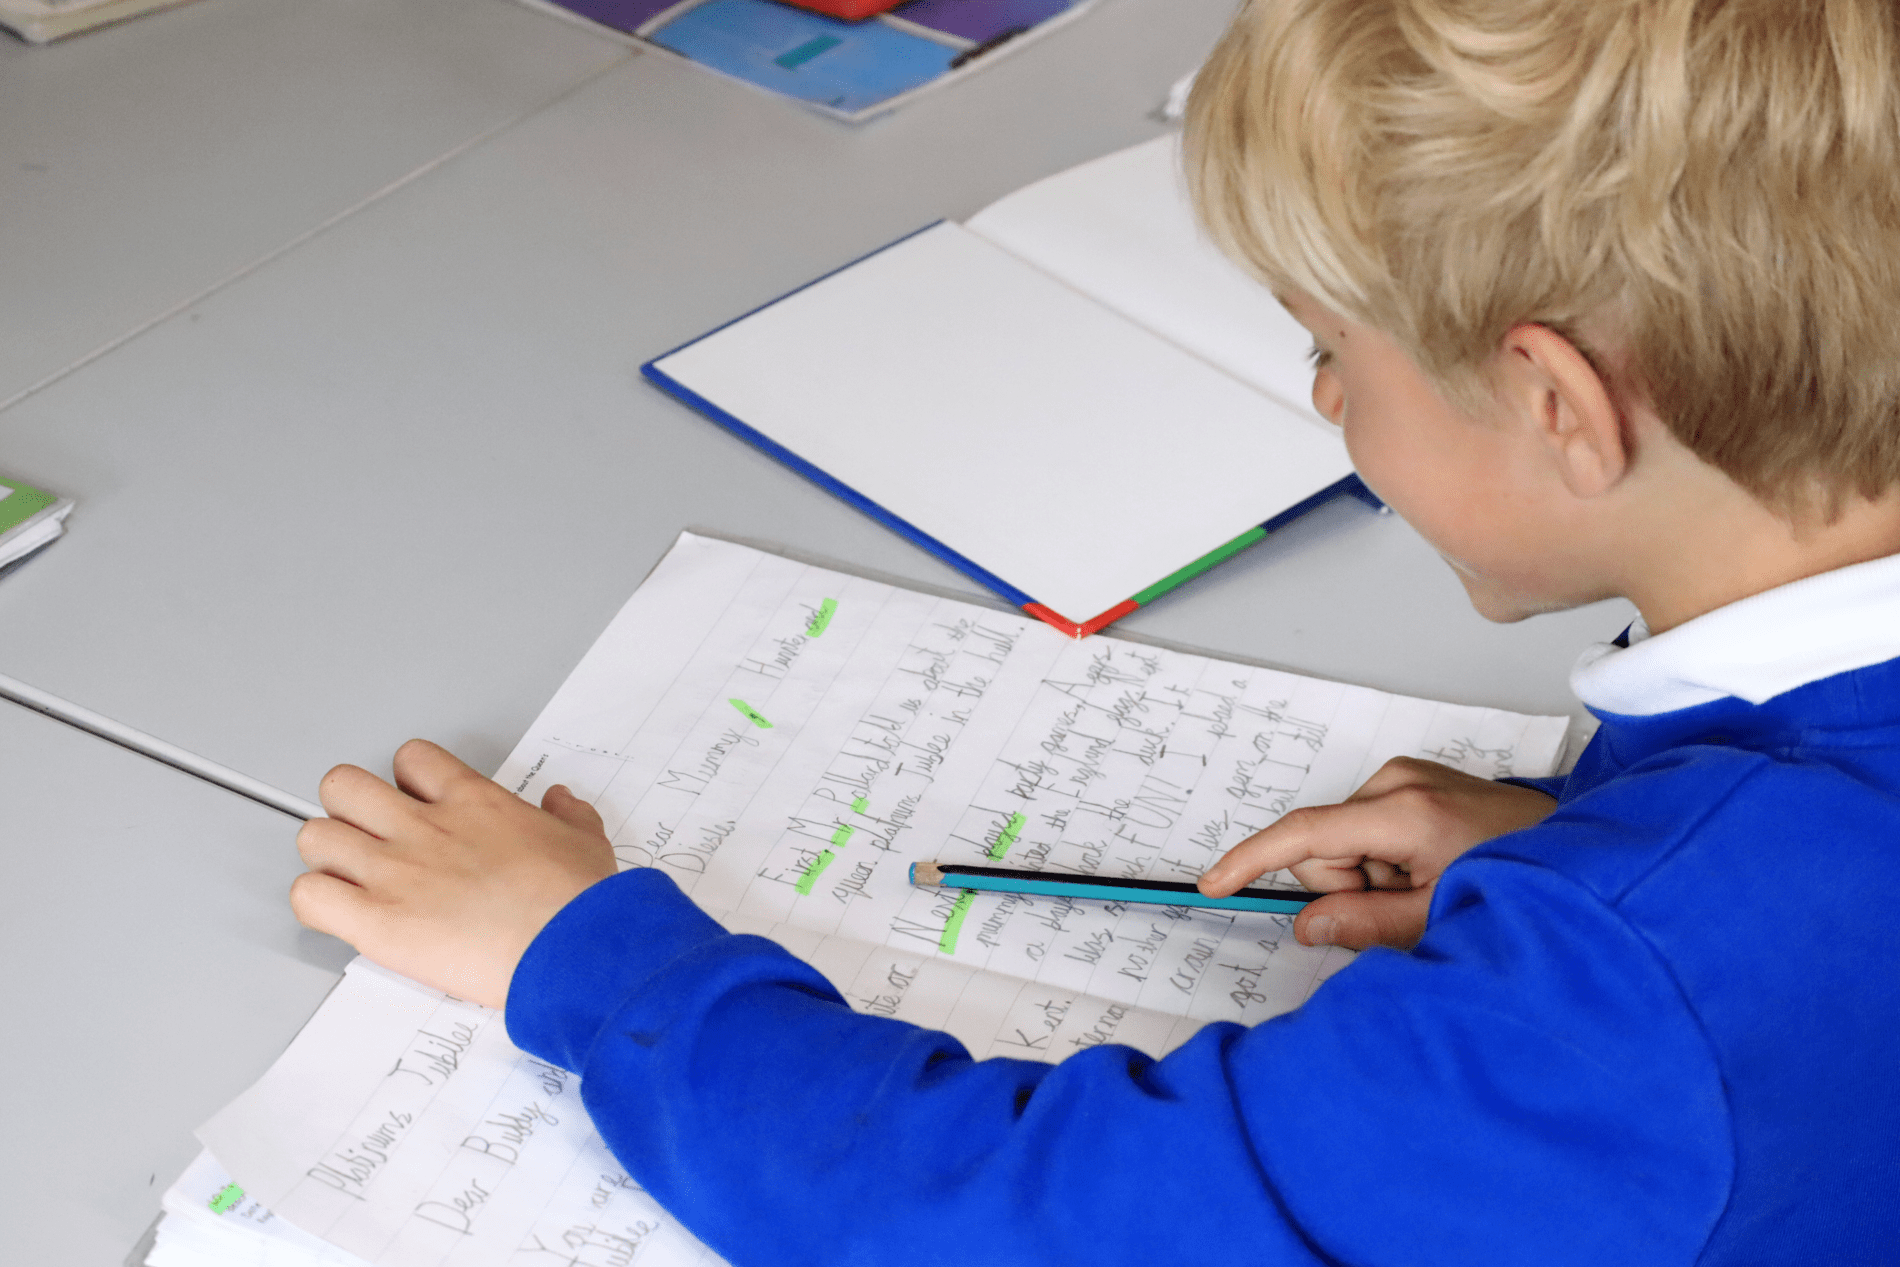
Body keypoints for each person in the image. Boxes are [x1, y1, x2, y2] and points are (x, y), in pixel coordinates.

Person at [287, 0, 1900, 1262]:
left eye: (1334, 348)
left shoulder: (1631, 1001)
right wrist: (1585, 841)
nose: (1325, 397)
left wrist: (588, 959)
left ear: (1557, 404)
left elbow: (1020, 1225)